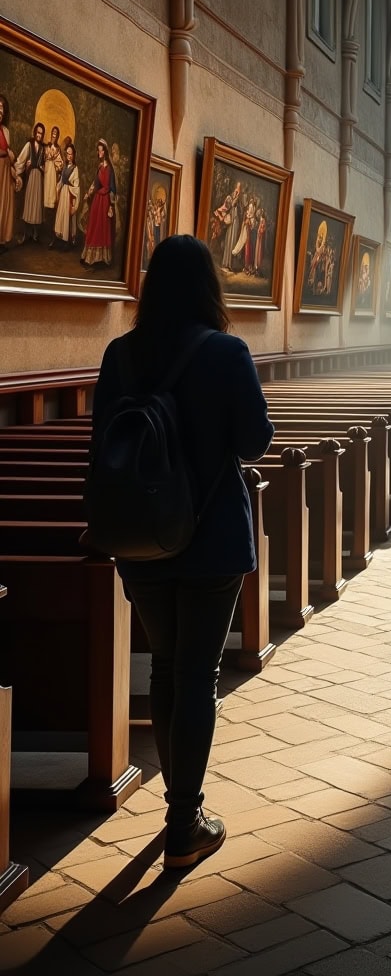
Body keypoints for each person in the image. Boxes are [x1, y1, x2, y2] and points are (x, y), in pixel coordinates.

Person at [90, 235, 273, 871]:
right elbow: (254, 440)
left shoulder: (121, 354)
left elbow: (102, 445)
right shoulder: (226, 351)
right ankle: (183, 819)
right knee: (198, 674)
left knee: (168, 667)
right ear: (208, 288)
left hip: (141, 534)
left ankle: (179, 804)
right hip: (211, 535)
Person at [80, 138, 118, 267]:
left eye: (101, 151)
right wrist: (88, 193)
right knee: (94, 227)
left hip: (106, 201)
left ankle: (102, 259)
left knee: (103, 228)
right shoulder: (100, 166)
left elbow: (112, 188)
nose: (99, 153)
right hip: (97, 201)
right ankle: (90, 257)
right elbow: (96, 183)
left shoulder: (110, 169)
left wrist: (111, 206)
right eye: (98, 151)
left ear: (105, 152)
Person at [15, 121, 47, 242]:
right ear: (35, 133)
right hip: (31, 178)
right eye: (38, 132)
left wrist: (44, 168)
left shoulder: (44, 148)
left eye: (41, 133)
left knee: (37, 205)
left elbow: (46, 165)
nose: (39, 135)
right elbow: (21, 160)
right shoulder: (29, 144)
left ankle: (35, 233)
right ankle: (25, 234)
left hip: (39, 179)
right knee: (29, 204)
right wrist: (18, 171)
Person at [52, 139, 79, 248]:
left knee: (66, 217)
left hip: (68, 195)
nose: (69, 156)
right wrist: (56, 190)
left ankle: (66, 241)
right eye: (67, 154)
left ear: (73, 155)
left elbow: (76, 186)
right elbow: (61, 182)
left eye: (71, 154)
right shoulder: (64, 167)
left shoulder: (75, 168)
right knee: (60, 216)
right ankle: (58, 238)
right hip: (62, 193)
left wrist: (73, 202)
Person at [0, 94, 15, 252]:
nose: (0, 110)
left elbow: (9, 152)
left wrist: (14, 171)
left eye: (2, 108)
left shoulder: (6, 131)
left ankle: (2, 240)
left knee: (4, 205)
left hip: (5, 170)